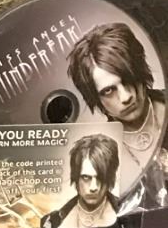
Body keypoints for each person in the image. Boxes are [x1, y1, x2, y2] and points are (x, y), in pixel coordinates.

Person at [67, 20, 168, 212]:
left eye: (128, 79)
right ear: (95, 98)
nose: (126, 97)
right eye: (108, 91)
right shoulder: (98, 155)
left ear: (140, 71)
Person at [42, 135, 120, 228]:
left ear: (109, 178)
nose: (93, 187)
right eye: (86, 177)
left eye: (100, 178)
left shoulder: (126, 214)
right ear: (76, 177)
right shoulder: (52, 222)